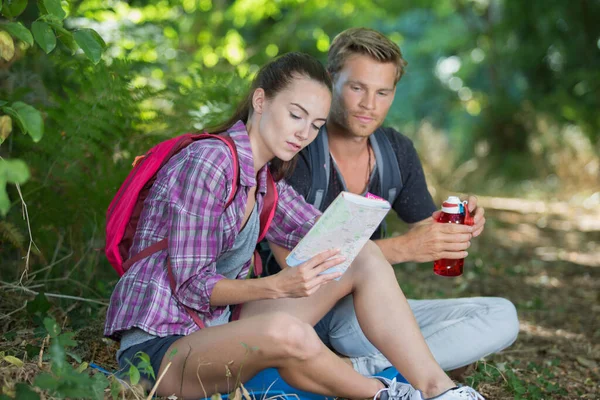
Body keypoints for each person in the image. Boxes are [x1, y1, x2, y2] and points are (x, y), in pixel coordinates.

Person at [104, 52, 485, 400]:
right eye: (295, 114)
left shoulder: (265, 180)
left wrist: (439, 229)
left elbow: (327, 236)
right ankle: (386, 395)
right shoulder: (209, 161)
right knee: (289, 333)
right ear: (260, 101)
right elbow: (190, 285)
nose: (304, 133)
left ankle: (439, 390)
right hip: (159, 353)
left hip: (217, 332)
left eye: (317, 124)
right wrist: (276, 285)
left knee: (365, 256)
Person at [265, 28, 520, 378]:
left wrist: (458, 224)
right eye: (357, 88)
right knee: (393, 333)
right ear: (331, 80)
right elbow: (302, 268)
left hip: (372, 311)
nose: (369, 105)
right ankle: (417, 364)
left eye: (382, 92)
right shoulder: (298, 147)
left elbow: (423, 227)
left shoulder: (395, 150)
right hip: (307, 311)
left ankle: (359, 370)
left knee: (502, 315)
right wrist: (404, 249)